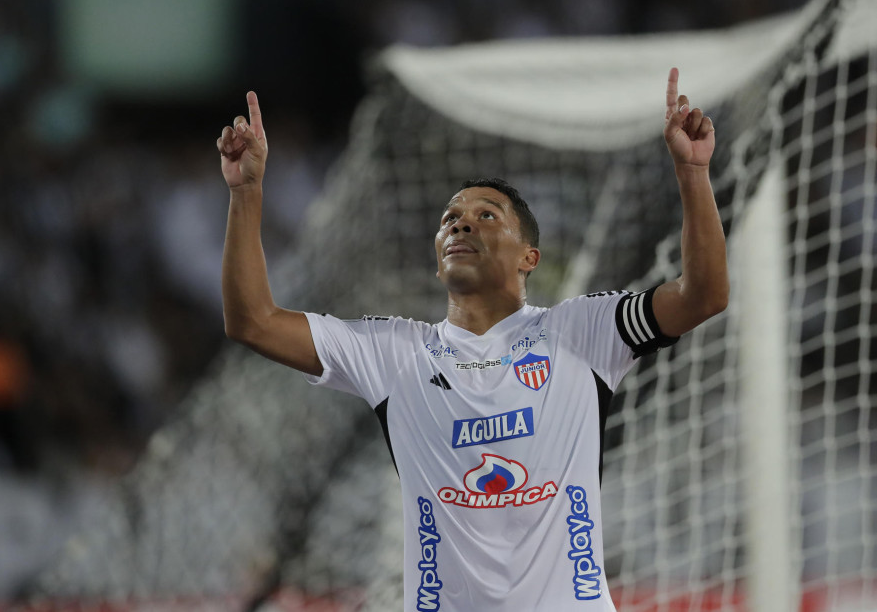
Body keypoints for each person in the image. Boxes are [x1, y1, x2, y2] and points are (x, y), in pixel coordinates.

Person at [216, 68, 727, 611]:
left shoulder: (583, 332)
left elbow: (703, 296)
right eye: (450, 219)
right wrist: (246, 192)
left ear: (530, 258)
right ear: (438, 260)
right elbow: (253, 321)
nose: (461, 225)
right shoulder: (394, 354)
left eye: (487, 216)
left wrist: (693, 174)